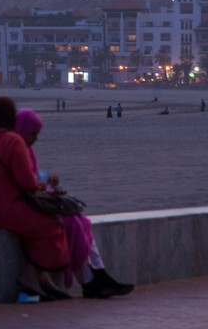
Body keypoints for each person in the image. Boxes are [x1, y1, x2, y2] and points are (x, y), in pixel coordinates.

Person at [0, 97, 69, 302]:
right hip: (4, 208)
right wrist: (40, 187)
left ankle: (38, 281)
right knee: (51, 225)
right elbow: (25, 181)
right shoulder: (12, 140)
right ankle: (33, 278)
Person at [14, 108, 134, 299]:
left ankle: (97, 275)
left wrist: (47, 184)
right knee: (73, 224)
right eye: (33, 134)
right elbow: (25, 183)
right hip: (25, 207)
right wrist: (44, 187)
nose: (35, 139)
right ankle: (90, 281)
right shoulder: (16, 152)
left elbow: (34, 178)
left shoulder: (28, 152)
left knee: (81, 221)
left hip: (33, 202)